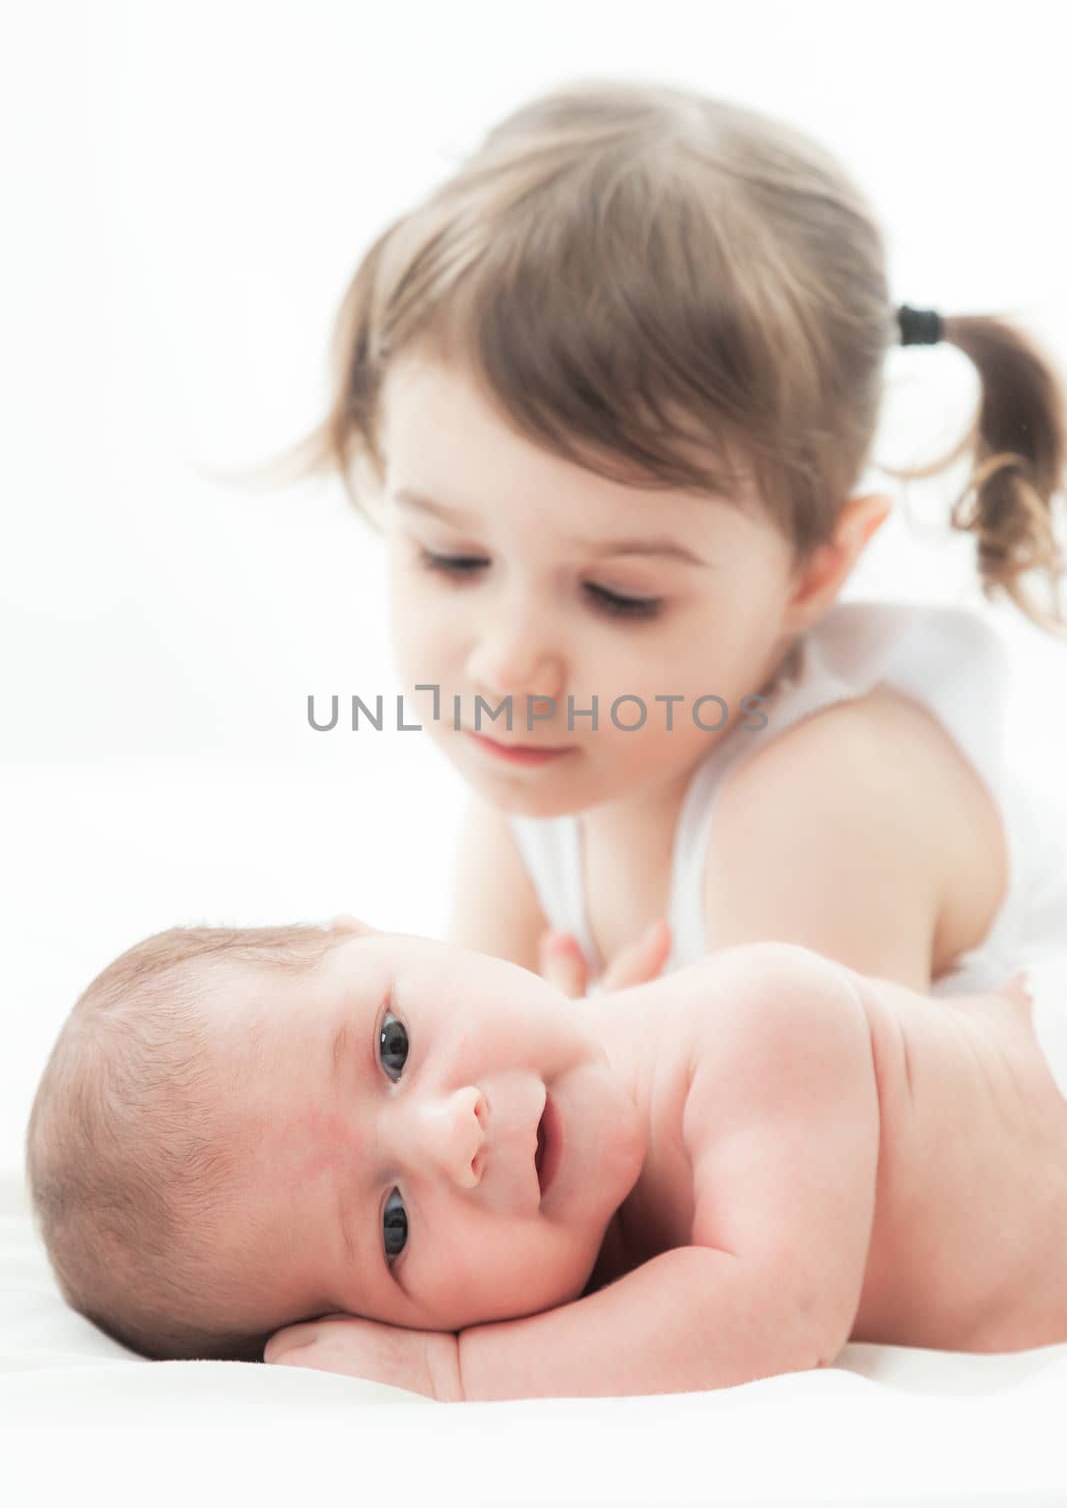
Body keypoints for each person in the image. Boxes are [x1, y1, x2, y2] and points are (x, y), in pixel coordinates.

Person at [286, 78, 1067, 1001]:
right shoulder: (535, 792)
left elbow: (807, 1149)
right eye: (452, 559)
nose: (504, 667)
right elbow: (469, 1086)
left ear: (814, 570)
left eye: (620, 596)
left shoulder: (822, 808)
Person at [23, 918, 1067, 1398]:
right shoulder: (597, 1284)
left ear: (389, 932)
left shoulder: (759, 1022)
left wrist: (455, 1375)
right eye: (392, 1225)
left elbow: (779, 1316)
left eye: (391, 1045)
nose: (454, 1134)